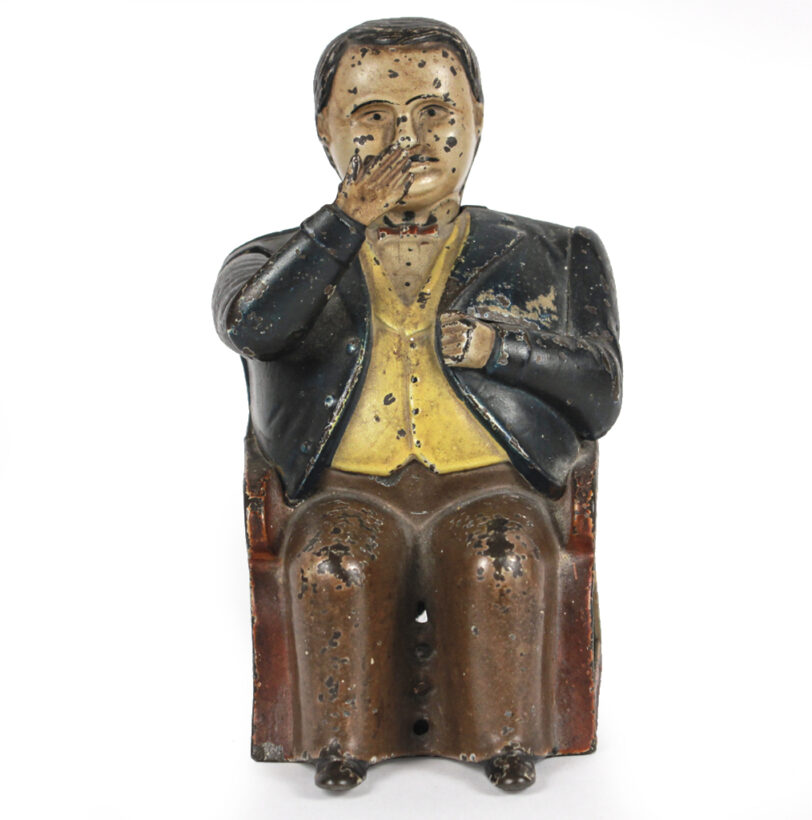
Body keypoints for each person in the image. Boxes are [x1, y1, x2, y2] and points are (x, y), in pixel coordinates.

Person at [213, 17, 622, 792]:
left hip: (490, 481)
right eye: (373, 117)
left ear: (477, 118)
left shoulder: (559, 253)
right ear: (326, 131)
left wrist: (500, 349)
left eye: (435, 112)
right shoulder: (274, 258)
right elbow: (252, 327)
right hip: (346, 487)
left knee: (500, 557)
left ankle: (506, 735)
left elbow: (600, 394)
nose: (409, 138)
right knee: (333, 562)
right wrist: (342, 225)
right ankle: (340, 740)